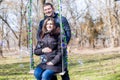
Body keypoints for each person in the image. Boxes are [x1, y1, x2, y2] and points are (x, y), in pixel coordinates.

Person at [37, 2, 71, 80]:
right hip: (48, 52)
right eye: (45, 10)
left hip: (60, 49)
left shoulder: (61, 19)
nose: (47, 11)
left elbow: (68, 33)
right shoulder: (42, 22)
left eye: (49, 9)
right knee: (49, 72)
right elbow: (39, 35)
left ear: (53, 9)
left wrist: (63, 46)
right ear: (43, 11)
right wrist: (43, 47)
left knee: (63, 71)